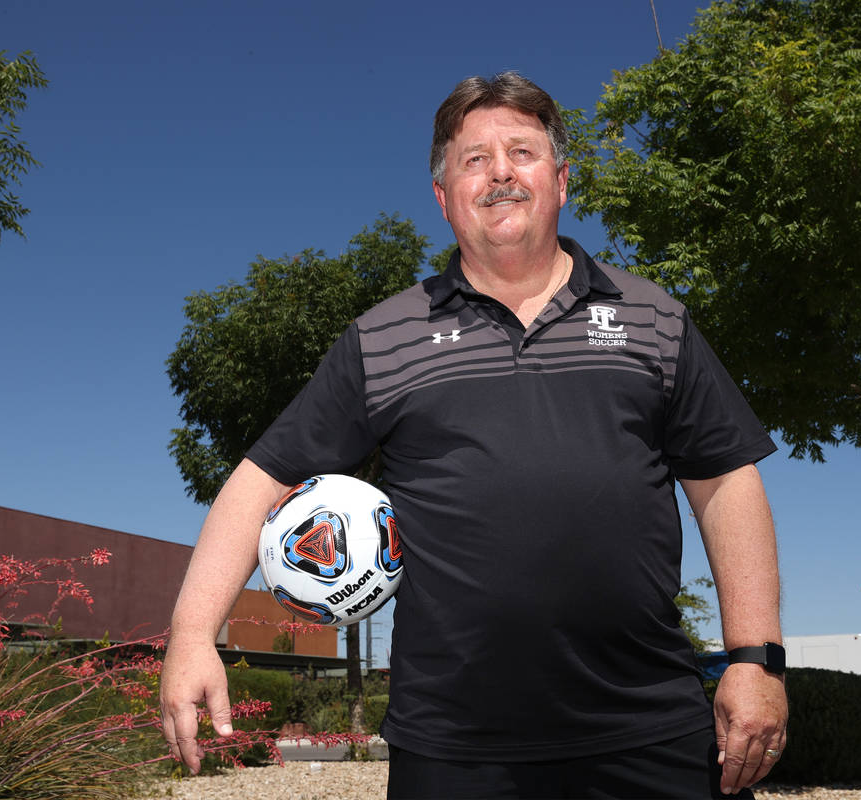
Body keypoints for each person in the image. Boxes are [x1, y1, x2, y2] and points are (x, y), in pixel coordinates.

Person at [160, 72, 787, 799]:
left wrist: (757, 659)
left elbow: (726, 482)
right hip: (454, 747)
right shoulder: (382, 338)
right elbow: (259, 479)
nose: (500, 174)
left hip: (648, 730)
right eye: (473, 160)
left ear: (561, 179)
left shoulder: (655, 319)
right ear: (442, 196)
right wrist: (192, 633)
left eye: (521, 152)